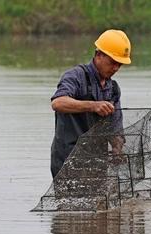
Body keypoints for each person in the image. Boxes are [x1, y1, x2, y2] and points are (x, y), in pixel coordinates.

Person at [50, 29, 132, 178]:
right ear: (99, 55)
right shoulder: (75, 76)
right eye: (113, 62)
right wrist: (93, 105)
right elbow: (58, 102)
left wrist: (117, 148)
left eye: (119, 64)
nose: (115, 68)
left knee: (99, 200)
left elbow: (115, 128)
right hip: (68, 158)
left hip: (97, 161)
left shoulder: (113, 88)